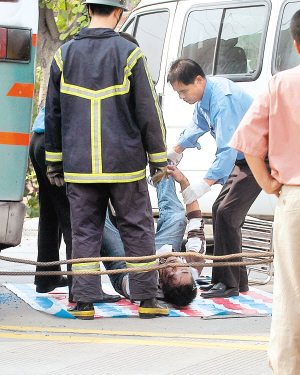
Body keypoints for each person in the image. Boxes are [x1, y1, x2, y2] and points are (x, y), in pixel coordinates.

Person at [45, 0, 168, 320]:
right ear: (119, 13)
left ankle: (84, 302)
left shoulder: (64, 54)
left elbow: (53, 114)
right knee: (138, 229)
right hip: (123, 164)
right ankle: (147, 300)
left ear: (88, 11)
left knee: (84, 231)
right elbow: (148, 111)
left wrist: (54, 162)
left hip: (80, 165)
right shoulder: (130, 53)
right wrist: (158, 159)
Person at [230, 10, 300, 374]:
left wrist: (269, 183)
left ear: (295, 42)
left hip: (295, 199)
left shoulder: (279, 84)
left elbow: (248, 145)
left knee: (290, 292)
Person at [166, 59, 268, 299]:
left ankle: (228, 283)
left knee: (227, 213)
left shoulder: (224, 99)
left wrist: (202, 186)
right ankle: (237, 281)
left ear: (199, 80)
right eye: (178, 92)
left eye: (183, 90)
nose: (181, 96)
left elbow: (227, 150)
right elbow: (197, 126)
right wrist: (175, 151)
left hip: (262, 156)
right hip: (246, 157)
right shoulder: (204, 98)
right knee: (220, 210)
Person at [29, 107, 122, 304]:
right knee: (78, 218)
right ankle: (82, 290)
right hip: (58, 145)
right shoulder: (98, 77)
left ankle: (47, 278)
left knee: (50, 214)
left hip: (39, 139)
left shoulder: (70, 74)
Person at [103, 172, 206, 307]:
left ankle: (91, 185)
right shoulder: (193, 264)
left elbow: (132, 281)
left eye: (171, 274)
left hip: (128, 268)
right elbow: (196, 222)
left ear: (161, 284)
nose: (175, 265)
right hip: (162, 251)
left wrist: (152, 266)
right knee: (178, 218)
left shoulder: (145, 287)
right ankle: (162, 173)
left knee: (99, 225)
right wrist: (184, 182)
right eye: (184, 270)